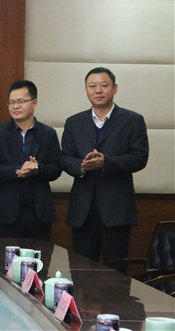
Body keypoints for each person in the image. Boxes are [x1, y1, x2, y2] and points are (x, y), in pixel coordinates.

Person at [60, 67, 149, 265]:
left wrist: (106, 162)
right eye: (92, 86)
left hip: (117, 211)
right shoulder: (74, 122)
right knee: (81, 271)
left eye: (104, 85)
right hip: (83, 211)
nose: (98, 90)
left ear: (115, 88)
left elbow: (140, 157)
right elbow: (64, 157)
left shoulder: (133, 120)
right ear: (86, 90)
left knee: (116, 272)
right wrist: (82, 165)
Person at [0, 80, 61, 241]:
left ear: (34, 103)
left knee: (40, 256)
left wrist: (37, 169)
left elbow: (56, 168)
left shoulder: (48, 134)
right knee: (5, 256)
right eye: (11, 103)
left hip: (40, 213)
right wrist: (17, 170)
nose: (15, 106)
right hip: (7, 214)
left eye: (20, 102)